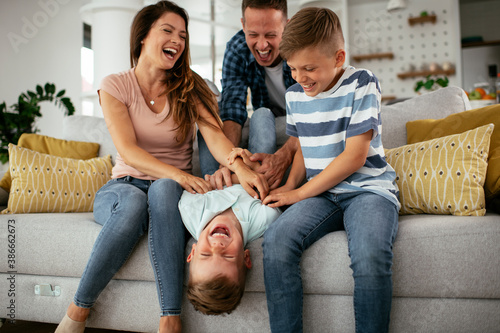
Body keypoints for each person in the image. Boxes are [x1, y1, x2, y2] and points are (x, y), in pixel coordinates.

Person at [54, 2, 268, 333]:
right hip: (124, 187)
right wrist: (181, 174)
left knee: (164, 188)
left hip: (170, 194)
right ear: (142, 37)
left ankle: (169, 317)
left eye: (183, 35)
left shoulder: (188, 86)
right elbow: (128, 150)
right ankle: (78, 310)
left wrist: (239, 166)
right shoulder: (115, 86)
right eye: (167, 31)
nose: (178, 41)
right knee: (139, 199)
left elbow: (213, 135)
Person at [251, 7, 400, 333]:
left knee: (370, 255)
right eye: (291, 68)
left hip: (366, 190)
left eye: (309, 68)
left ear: (338, 57)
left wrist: (300, 193)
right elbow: (305, 144)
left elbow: (355, 157)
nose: (300, 77)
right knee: (276, 241)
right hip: (322, 194)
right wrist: (289, 188)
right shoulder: (295, 96)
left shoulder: (363, 83)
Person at [198, 0, 298, 190]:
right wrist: (227, 164)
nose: (262, 45)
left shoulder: (301, 46)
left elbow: (314, 113)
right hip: (268, 118)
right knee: (260, 114)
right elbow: (233, 110)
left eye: (271, 35)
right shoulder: (237, 48)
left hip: (298, 123)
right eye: (253, 34)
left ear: (287, 25)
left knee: (263, 116)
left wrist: (284, 156)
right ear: (243, 25)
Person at [178, 163, 281, 315]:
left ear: (193, 252)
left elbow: (197, 183)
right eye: (228, 256)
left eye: (205, 254)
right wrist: (236, 175)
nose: (217, 246)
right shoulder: (265, 218)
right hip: (254, 166)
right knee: (263, 145)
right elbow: (266, 183)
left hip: (214, 169)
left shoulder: (190, 209)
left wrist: (224, 172)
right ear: (246, 257)